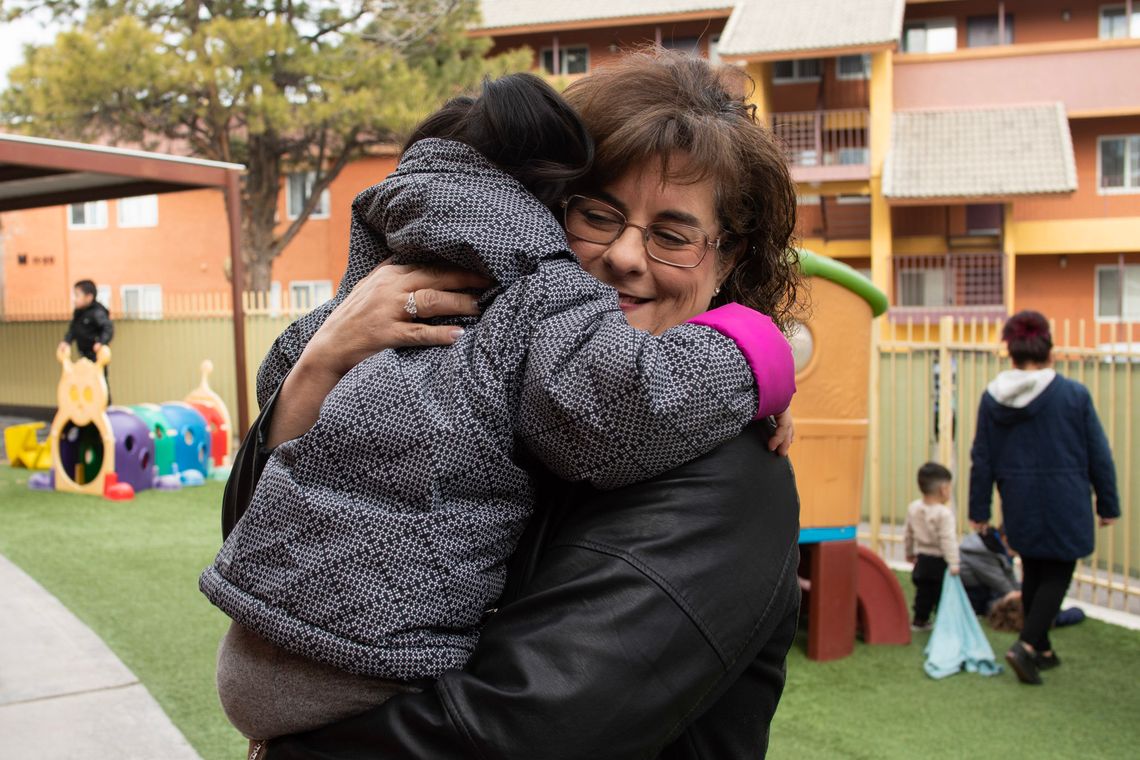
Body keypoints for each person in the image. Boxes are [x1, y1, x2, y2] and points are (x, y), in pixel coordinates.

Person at [226, 49, 802, 758]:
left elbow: (527, 727)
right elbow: (266, 531)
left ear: (727, 262)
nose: (625, 255)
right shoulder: (484, 372)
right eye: (598, 214)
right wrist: (318, 368)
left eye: (672, 235)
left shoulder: (729, 479)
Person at [969, 309, 1119, 685]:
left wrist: (979, 509)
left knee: (1035, 567)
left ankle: (1045, 649)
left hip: (1017, 498)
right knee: (1058, 571)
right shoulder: (1073, 395)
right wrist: (1108, 504)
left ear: (1012, 351)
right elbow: (1098, 452)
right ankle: (1027, 645)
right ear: (1048, 349)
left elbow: (982, 457)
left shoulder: (992, 399)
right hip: (1065, 496)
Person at [904, 462, 960, 631]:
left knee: (923, 591)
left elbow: (908, 533)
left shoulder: (914, 508)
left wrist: (909, 553)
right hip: (939, 560)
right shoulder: (944, 513)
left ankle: (919, 620)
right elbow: (947, 540)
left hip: (922, 558)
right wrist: (954, 562)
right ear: (943, 489)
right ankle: (944, 622)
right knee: (940, 592)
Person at [58, 279, 113, 397]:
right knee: (85, 381)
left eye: (77, 295)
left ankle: (105, 406)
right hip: (84, 355)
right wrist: (66, 341)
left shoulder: (97, 312)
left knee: (99, 381)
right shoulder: (78, 312)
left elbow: (107, 328)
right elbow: (73, 329)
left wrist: (101, 342)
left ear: (89, 297)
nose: (74, 299)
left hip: (96, 355)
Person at [959, 525, 1019, 616]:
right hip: (971, 588)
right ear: (1006, 539)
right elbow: (995, 578)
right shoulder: (984, 550)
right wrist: (1014, 593)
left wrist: (1017, 590)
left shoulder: (995, 544)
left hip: (980, 584)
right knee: (994, 602)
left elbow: (1007, 571)